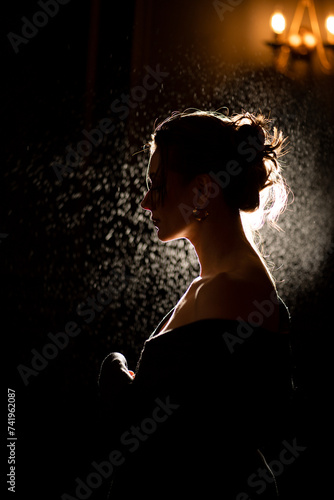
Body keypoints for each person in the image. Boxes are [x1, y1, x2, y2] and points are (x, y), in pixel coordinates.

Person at [98, 110, 294, 499]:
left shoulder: (227, 292)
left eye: (157, 185)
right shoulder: (216, 288)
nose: (145, 202)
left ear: (203, 190)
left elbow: (168, 439)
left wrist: (116, 375)